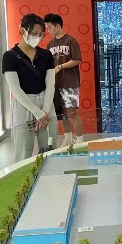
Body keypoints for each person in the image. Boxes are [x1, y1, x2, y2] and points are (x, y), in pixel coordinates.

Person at [2, 13, 58, 161]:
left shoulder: (46, 54)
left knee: (50, 151)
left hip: (46, 103)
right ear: (22, 31)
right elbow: (15, 88)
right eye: (34, 33)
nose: (37, 37)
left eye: (41, 35)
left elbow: (50, 84)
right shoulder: (10, 56)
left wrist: (44, 112)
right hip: (23, 105)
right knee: (23, 154)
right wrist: (36, 112)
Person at [44, 13, 84, 147]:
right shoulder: (50, 44)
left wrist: (61, 66)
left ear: (58, 26)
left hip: (70, 83)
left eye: (50, 27)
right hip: (55, 84)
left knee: (72, 112)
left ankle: (80, 140)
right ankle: (68, 139)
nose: (48, 30)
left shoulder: (71, 41)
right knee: (62, 114)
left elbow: (77, 60)